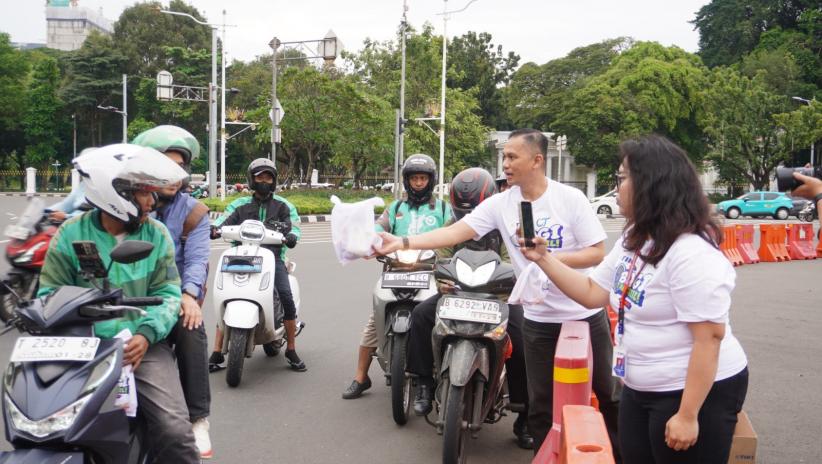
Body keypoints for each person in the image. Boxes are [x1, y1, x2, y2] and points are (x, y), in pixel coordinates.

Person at [374, 130, 620, 454]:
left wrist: (547, 258)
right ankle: (544, 454)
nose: (505, 164)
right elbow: (455, 232)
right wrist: (402, 242)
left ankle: (620, 451)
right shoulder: (501, 205)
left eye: (512, 157)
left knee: (607, 394)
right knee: (541, 405)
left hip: (583, 314)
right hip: (538, 319)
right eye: (503, 157)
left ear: (537, 160)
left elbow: (596, 252)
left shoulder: (569, 200)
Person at [517, 135, 749, 463]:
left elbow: (709, 338)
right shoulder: (636, 238)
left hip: (691, 394)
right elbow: (592, 293)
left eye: (623, 178)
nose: (618, 187)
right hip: (639, 387)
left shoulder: (690, 252)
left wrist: (687, 415)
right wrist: (542, 258)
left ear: (652, 185)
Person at [38, 143, 199, 463]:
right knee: (44, 425)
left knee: (174, 430)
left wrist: (145, 335)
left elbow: (168, 292)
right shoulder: (71, 233)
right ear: (115, 194)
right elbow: (48, 294)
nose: (152, 202)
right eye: (142, 193)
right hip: (82, 346)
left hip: (141, 345)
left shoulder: (156, 235)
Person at [405, 167, 534, 449]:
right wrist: (442, 281)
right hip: (457, 297)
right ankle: (424, 383)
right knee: (420, 315)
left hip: (498, 301)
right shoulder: (452, 225)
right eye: (462, 210)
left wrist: (506, 282)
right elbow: (441, 256)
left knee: (523, 339)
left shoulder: (505, 225)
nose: (467, 217)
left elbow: (512, 261)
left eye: (473, 209)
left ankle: (524, 414)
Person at [342, 153, 453, 399]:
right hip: (395, 270)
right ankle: (361, 376)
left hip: (431, 273)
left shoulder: (444, 209)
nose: (418, 183)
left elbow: (451, 235)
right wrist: (368, 239)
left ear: (431, 180)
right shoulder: (395, 208)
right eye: (414, 178)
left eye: (423, 178)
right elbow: (380, 227)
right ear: (406, 181)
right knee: (374, 322)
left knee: (440, 319)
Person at [132, 125, 214, 459]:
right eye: (163, 166)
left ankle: (198, 418)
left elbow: (195, 261)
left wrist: (188, 295)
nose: (171, 175)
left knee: (191, 325)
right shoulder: (112, 207)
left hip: (173, 295)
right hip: (121, 298)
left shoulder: (193, 212)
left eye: (178, 169)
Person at [208, 158, 306, 371]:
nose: (264, 180)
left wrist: (291, 236)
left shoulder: (284, 205)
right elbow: (223, 221)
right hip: (239, 256)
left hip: (273, 258)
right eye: (259, 176)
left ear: (273, 180)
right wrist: (214, 229)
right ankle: (216, 351)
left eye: (268, 176)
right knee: (224, 295)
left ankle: (291, 348)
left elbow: (295, 227)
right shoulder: (239, 205)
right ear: (251, 179)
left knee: (286, 298)